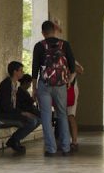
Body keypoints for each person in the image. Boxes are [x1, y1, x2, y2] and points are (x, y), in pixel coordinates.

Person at [32, 20, 76, 156]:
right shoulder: (65, 45)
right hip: (61, 85)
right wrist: (68, 80)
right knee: (62, 115)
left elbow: (35, 69)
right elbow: (73, 66)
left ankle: (51, 149)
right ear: (54, 30)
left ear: (43, 33)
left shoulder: (39, 46)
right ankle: (66, 147)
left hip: (44, 84)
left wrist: (34, 87)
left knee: (46, 116)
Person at [0, 60, 40, 155]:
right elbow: (6, 106)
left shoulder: (15, 84)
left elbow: (15, 105)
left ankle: (15, 140)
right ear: (15, 72)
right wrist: (22, 113)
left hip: (12, 112)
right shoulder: (6, 84)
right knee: (32, 121)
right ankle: (14, 140)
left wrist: (24, 112)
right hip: (5, 114)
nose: (22, 73)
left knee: (37, 119)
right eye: (21, 70)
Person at [67, 61, 84, 152]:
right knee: (61, 116)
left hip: (70, 90)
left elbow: (80, 70)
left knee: (70, 116)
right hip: (58, 89)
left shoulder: (71, 59)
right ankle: (64, 140)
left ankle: (74, 141)